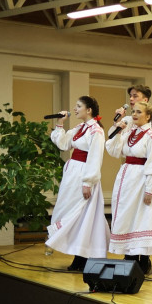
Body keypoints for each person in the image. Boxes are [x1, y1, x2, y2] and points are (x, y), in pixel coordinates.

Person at [45, 95, 110, 271]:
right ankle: (78, 255)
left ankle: (83, 257)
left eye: (78, 106)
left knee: (82, 215)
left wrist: (88, 182)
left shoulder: (96, 131)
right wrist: (60, 123)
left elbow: (95, 158)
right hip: (72, 174)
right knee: (67, 210)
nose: (75, 109)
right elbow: (64, 144)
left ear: (89, 110)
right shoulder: (80, 127)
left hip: (83, 175)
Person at [106, 101, 152, 272]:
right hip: (126, 178)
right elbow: (113, 150)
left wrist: (150, 189)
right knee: (127, 215)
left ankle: (142, 259)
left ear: (148, 116)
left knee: (141, 217)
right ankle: (129, 255)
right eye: (133, 111)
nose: (134, 114)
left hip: (142, 179)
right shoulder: (127, 132)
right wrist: (117, 130)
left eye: (138, 112)